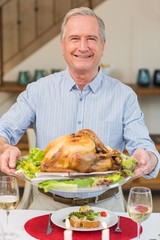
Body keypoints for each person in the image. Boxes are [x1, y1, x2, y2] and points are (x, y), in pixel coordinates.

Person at [0, 7, 159, 212]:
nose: (83, 47)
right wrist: (5, 149)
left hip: (107, 208)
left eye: (91, 38)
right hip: (46, 207)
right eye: (74, 38)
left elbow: (147, 149)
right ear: (63, 45)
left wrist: (147, 157)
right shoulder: (38, 90)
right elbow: (3, 131)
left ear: (102, 45)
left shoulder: (124, 96)